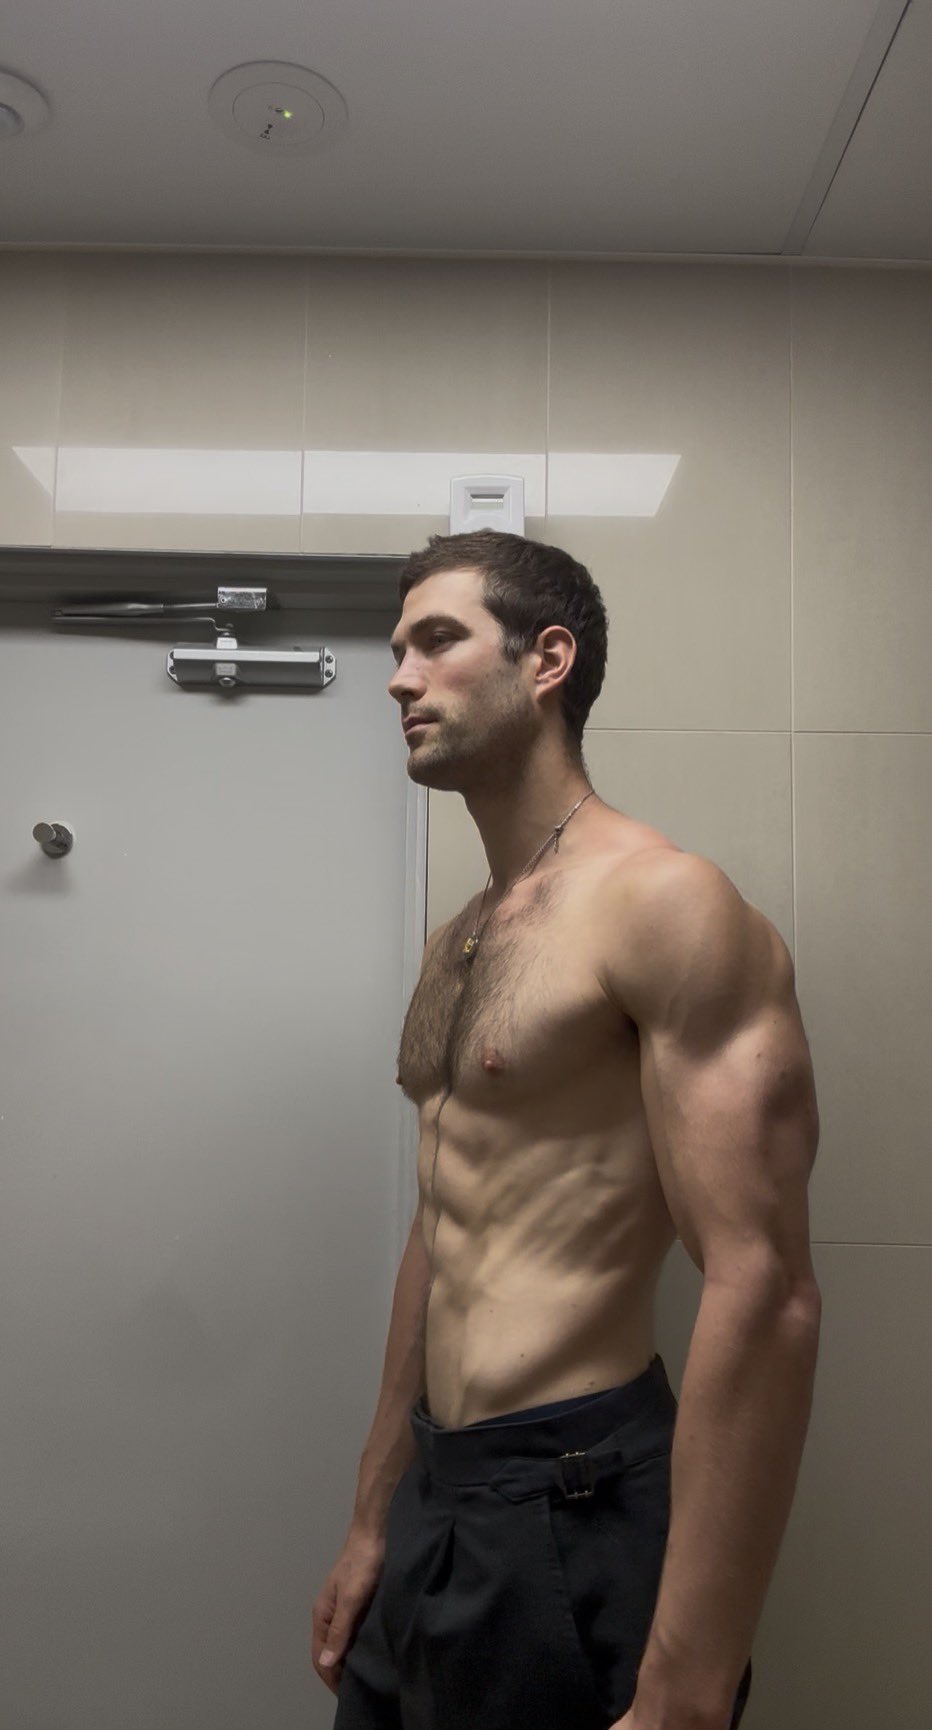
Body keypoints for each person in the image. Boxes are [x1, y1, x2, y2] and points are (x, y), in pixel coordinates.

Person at [311, 529, 821, 1730]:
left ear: (545, 660)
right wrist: (373, 1514)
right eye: (396, 649)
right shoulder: (460, 938)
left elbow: (762, 1283)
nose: (397, 677)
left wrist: (690, 1678)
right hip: (437, 1494)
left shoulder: (662, 902)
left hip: (574, 1494)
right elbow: (442, 1224)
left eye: (436, 640)